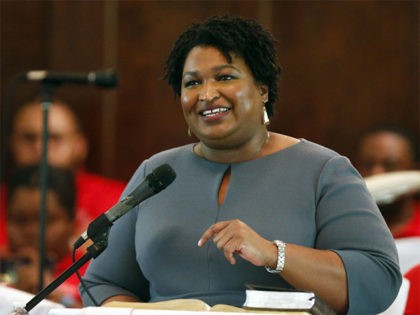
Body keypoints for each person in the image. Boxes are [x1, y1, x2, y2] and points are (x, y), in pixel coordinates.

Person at [80, 14, 401, 314]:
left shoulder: (324, 171)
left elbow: (378, 280)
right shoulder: (156, 173)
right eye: (192, 83)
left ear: (262, 90)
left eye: (225, 77)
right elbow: (103, 282)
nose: (206, 94)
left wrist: (274, 254)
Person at [0, 99, 126, 252]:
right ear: (12, 143)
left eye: (54, 138)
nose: (40, 148)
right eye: (29, 138)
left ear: (80, 146)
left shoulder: (119, 199)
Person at [2, 164, 86, 307]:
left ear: (72, 221)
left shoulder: (91, 271)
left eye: (45, 220)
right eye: (20, 220)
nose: (31, 231)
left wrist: (54, 295)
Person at [355, 126, 420, 238]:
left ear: (413, 170)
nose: (376, 173)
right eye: (368, 164)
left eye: (391, 165)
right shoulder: (343, 228)